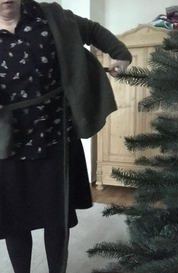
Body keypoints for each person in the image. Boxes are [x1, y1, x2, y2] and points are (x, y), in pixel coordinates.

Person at [0, 0, 131, 272]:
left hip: (55, 131)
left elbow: (92, 30)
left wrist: (121, 54)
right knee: (13, 218)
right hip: (7, 140)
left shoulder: (52, 17)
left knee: (56, 215)